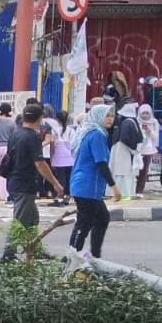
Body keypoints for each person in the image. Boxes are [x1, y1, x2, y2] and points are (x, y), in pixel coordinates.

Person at [0, 103, 64, 262]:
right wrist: (55, 183)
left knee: (32, 218)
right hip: (24, 183)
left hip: (14, 181)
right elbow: (40, 163)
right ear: (40, 118)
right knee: (20, 220)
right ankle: (8, 254)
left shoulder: (16, 133)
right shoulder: (33, 136)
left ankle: (34, 248)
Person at [69, 103, 124, 257]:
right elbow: (100, 162)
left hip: (83, 185)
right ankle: (72, 259)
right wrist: (114, 187)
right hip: (88, 187)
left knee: (102, 219)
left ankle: (94, 257)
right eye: (107, 115)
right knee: (83, 225)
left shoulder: (89, 132)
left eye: (112, 116)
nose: (110, 119)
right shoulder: (97, 135)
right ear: (97, 116)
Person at [110, 103, 144, 200]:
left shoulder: (124, 122)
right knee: (124, 172)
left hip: (120, 148)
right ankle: (124, 193)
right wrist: (134, 149)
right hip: (123, 150)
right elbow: (125, 138)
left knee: (120, 172)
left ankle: (120, 193)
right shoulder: (130, 123)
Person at [46, 116, 74, 207]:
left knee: (60, 178)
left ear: (57, 120)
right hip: (70, 157)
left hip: (59, 157)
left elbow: (52, 146)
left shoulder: (54, 131)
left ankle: (60, 196)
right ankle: (67, 196)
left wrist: (51, 158)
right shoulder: (71, 131)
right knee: (68, 178)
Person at [135, 104, 161, 193]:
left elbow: (156, 138)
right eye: (143, 113)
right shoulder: (136, 121)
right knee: (134, 170)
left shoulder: (154, 122)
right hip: (137, 149)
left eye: (147, 113)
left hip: (148, 150)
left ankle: (139, 191)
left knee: (144, 171)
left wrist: (150, 131)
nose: (145, 115)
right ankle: (131, 188)